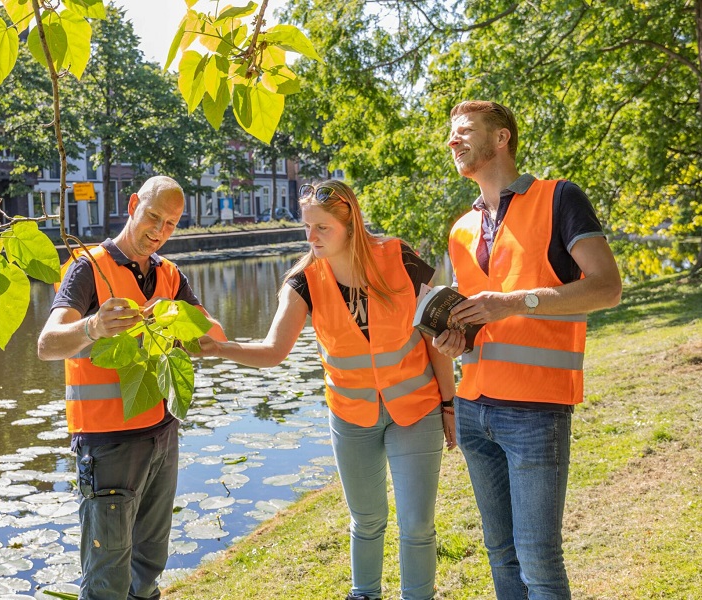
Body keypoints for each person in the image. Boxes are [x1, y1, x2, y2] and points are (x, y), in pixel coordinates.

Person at [195, 180, 456, 600]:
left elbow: (433, 334)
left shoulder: (399, 257)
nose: (311, 237)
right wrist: (222, 348)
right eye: (307, 227)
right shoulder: (302, 280)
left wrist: (448, 403)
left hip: (417, 408)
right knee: (367, 519)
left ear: (349, 224)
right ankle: (364, 594)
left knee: (416, 522)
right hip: (351, 416)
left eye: (322, 228)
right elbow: (274, 350)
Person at [435, 101, 622, 599]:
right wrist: (454, 336)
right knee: (500, 551)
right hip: (474, 410)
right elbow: (478, 316)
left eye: (464, 131)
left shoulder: (559, 198)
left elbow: (607, 288)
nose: (452, 141)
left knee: (538, 559)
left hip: (536, 410)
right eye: (450, 134)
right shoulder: (460, 229)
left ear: (501, 139)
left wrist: (513, 303)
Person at [37, 175, 224, 600]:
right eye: (153, 216)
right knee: (107, 582)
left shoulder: (170, 274)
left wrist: (175, 315)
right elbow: (48, 344)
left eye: (171, 224)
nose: (159, 231)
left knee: (149, 570)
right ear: (133, 204)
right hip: (107, 446)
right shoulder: (88, 267)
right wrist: (93, 325)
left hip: (162, 435)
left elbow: (213, 335)